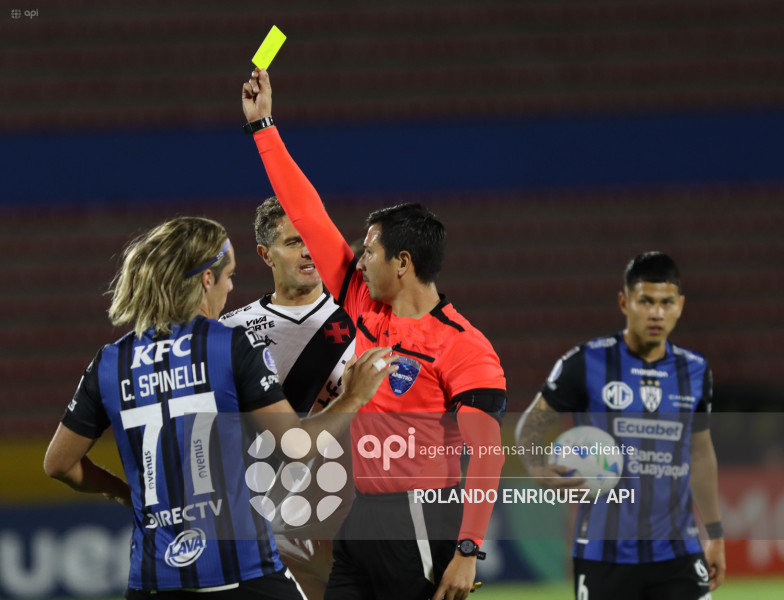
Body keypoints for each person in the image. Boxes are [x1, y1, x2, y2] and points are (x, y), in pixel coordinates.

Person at [241, 68, 507, 600]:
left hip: (423, 517)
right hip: (364, 512)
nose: (357, 260)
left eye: (369, 251)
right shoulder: (364, 302)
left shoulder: (464, 346)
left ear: (403, 262)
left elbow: (488, 454)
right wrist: (263, 126)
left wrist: (468, 550)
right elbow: (306, 211)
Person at [43, 216, 397, 600]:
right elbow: (296, 445)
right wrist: (353, 397)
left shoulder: (110, 362)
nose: (231, 286)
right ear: (206, 280)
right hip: (242, 572)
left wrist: (127, 494)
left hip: (153, 579)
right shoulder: (229, 345)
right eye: (228, 275)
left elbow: (59, 464)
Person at [516, 251, 726, 600]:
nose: (657, 312)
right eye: (645, 301)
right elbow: (529, 427)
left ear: (680, 305)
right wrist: (537, 466)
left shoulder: (696, 371)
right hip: (603, 555)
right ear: (624, 302)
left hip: (678, 552)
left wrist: (716, 534)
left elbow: (701, 453)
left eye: (666, 302)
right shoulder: (586, 362)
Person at [220, 198, 356, 600]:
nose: (308, 250)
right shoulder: (232, 330)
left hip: (352, 515)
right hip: (269, 518)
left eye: (312, 239)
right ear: (265, 254)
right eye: (294, 242)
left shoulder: (358, 316)